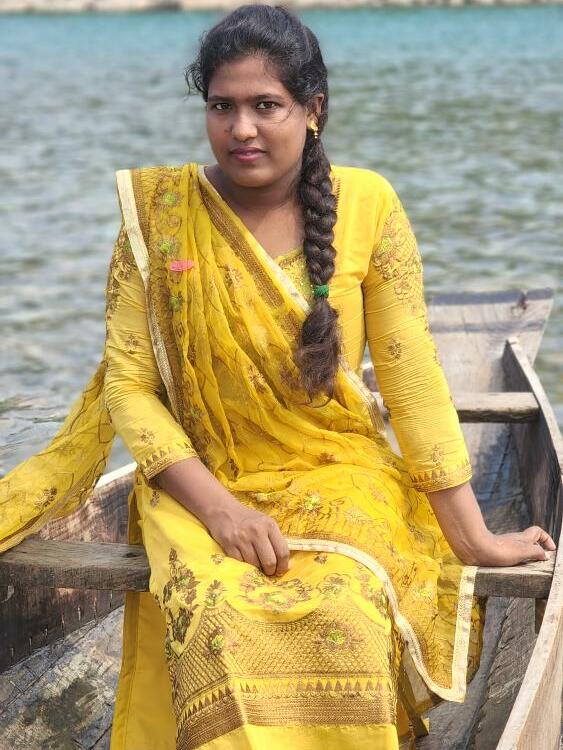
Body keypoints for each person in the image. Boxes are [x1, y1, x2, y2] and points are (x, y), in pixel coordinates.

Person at [0, 4, 556, 749]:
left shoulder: (367, 205)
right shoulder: (158, 218)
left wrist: (474, 539)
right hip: (199, 481)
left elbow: (412, 379)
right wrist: (221, 511)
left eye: (266, 105)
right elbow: (130, 387)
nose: (241, 129)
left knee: (347, 603)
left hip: (337, 469)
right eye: (221, 106)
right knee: (216, 612)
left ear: (312, 109)